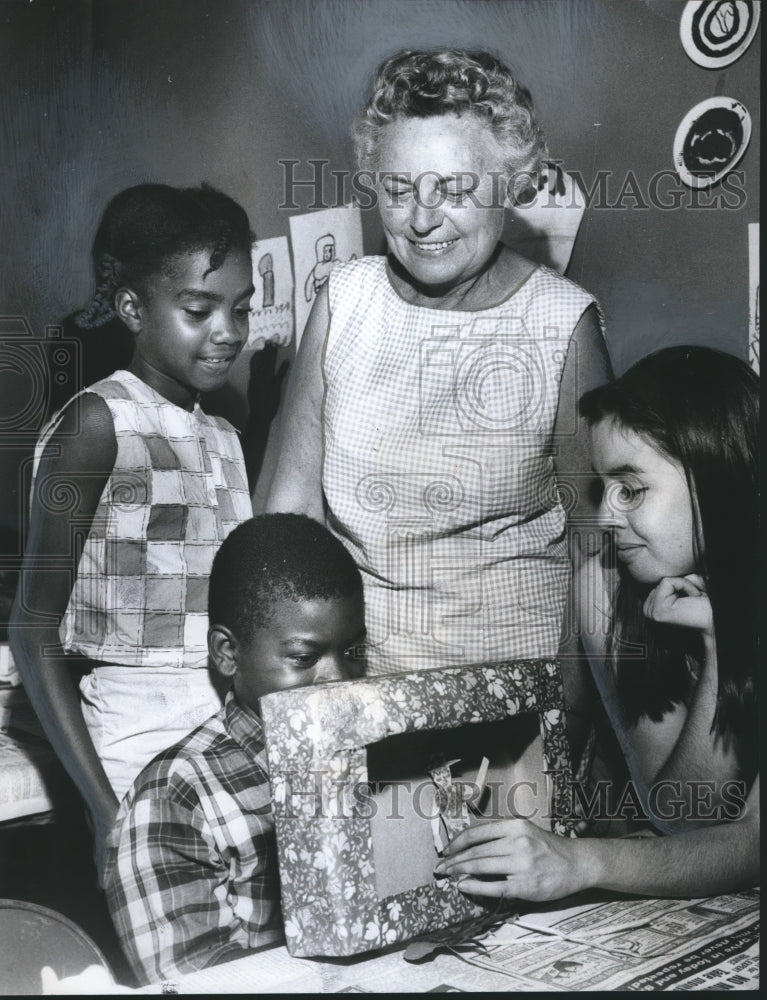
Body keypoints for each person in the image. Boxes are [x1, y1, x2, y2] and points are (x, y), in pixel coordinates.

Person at [265, 48, 611, 677]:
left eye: (453, 190)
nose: (423, 220)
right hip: (360, 687)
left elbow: (599, 544)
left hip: (520, 692)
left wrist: (577, 708)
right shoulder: (343, 301)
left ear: (508, 182)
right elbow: (289, 517)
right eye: (399, 190)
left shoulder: (563, 322)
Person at [436, 347, 759, 899]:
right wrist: (719, 649)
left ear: (715, 476)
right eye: (602, 488)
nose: (606, 517)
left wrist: (582, 863)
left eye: (631, 489)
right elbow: (685, 815)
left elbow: (754, 846)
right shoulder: (603, 588)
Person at [9, 183, 255, 877]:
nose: (227, 331)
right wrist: (101, 806)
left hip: (224, 734)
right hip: (131, 739)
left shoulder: (228, 439)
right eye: (199, 310)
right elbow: (33, 632)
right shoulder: (97, 424)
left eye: (241, 308)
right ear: (132, 308)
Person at [104, 513, 367, 985]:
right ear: (227, 653)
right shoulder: (175, 796)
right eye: (305, 658)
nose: (338, 682)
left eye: (353, 653)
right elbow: (195, 977)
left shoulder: (375, 755)